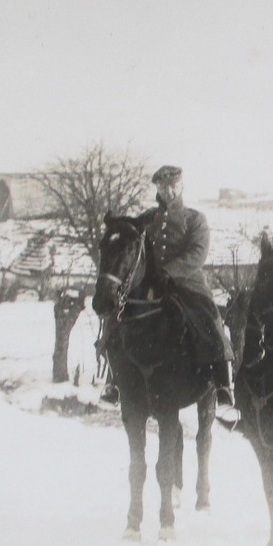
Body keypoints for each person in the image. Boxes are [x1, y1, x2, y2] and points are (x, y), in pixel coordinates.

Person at [103, 165, 235, 415]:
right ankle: (113, 382)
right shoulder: (148, 218)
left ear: (182, 185)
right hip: (149, 284)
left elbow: (197, 253)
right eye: (163, 186)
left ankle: (222, 386)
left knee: (209, 317)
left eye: (173, 184)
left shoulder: (195, 219)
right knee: (119, 318)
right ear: (157, 189)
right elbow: (131, 242)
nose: (168, 190)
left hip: (186, 283)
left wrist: (169, 271)